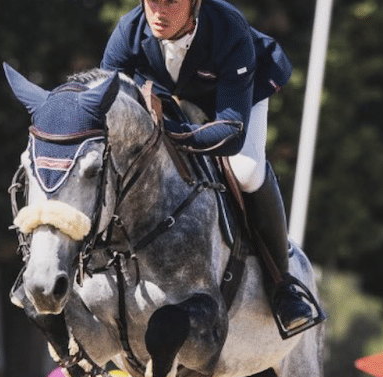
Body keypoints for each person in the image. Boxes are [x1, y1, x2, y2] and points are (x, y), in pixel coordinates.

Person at [101, 0, 319, 337]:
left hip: (239, 93)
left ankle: (283, 286)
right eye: (152, 0)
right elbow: (107, 105)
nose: (159, 11)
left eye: (171, 1)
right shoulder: (128, 32)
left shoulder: (228, 28)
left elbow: (230, 131)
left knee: (246, 170)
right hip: (171, 92)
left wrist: (166, 133)